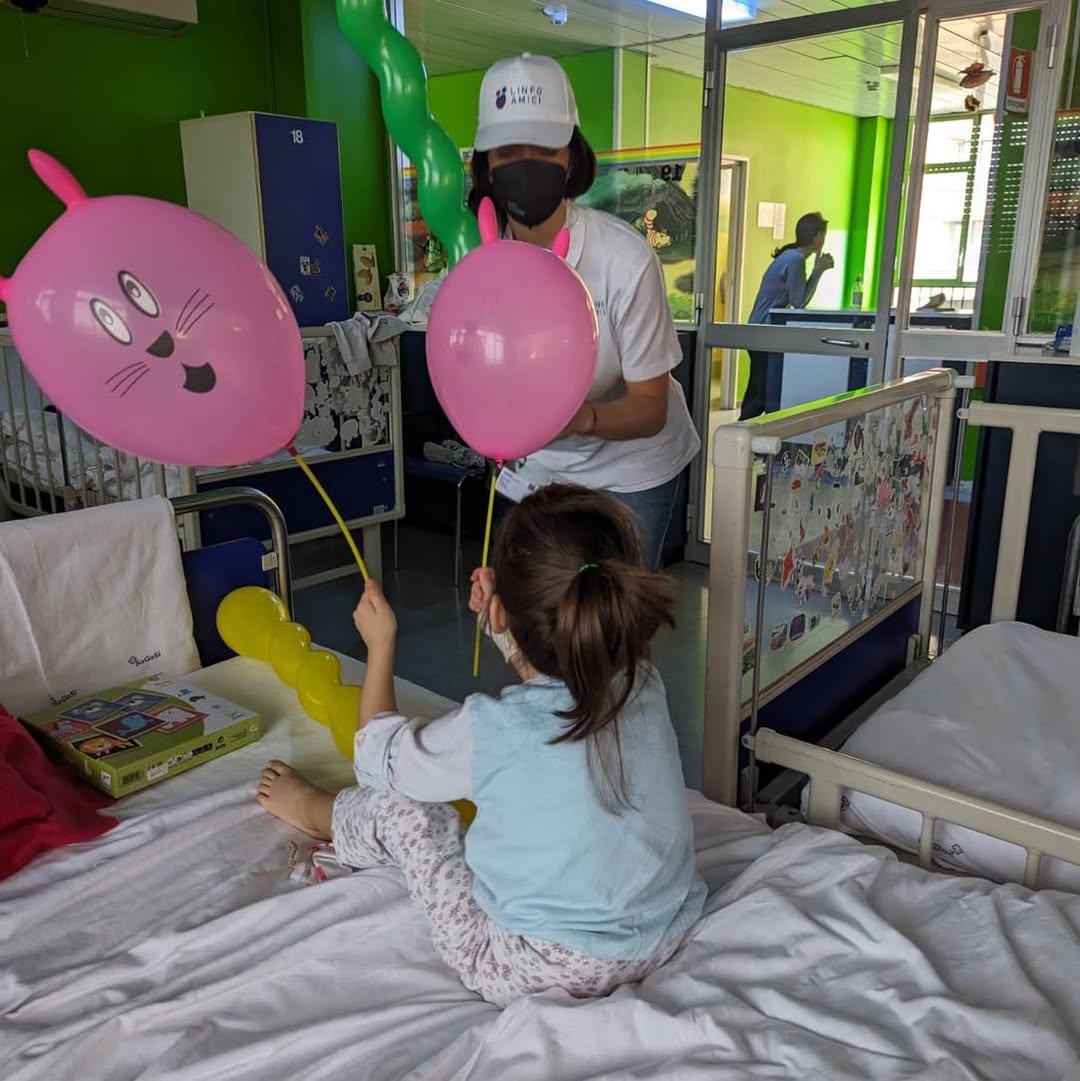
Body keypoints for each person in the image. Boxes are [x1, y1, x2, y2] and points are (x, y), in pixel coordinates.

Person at [256, 484, 706, 1008]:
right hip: (662, 931)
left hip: (532, 967)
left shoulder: (494, 728)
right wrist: (505, 621)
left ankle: (316, 812)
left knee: (409, 812)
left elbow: (376, 760)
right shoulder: (643, 681)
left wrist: (380, 646)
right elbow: (564, 667)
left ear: (501, 615)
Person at [465, 53, 700, 571]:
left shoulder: (623, 258)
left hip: (633, 470)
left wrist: (580, 419)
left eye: (543, 149)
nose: (525, 164)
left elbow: (650, 406)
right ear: (486, 167)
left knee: (612, 632)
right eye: (507, 151)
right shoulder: (482, 267)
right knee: (534, 624)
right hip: (540, 466)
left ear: (570, 158)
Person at [740, 212, 834, 420]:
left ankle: (744, 434)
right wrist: (818, 271)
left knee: (757, 389)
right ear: (818, 236)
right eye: (823, 235)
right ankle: (740, 438)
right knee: (760, 394)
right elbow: (799, 301)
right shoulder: (796, 259)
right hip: (763, 332)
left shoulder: (791, 256)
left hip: (759, 331)